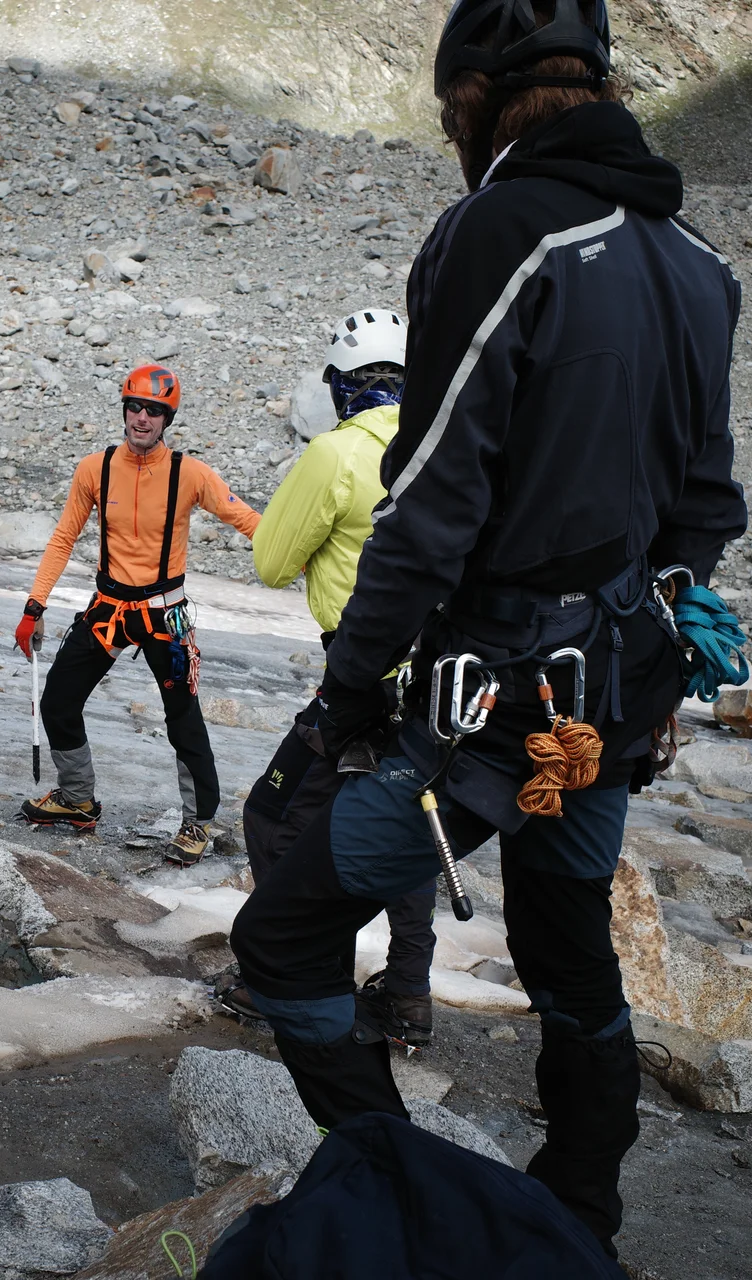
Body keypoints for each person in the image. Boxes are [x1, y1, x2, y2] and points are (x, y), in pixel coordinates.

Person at [228, 0, 746, 1258]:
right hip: (613, 704)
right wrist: (652, 631)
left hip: (495, 711)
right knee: (566, 951)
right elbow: (706, 503)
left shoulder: (502, 232)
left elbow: (430, 503)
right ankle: (579, 1221)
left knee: (283, 937)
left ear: (474, 94)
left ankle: (404, 1198)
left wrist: (350, 692)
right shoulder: (699, 264)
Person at [234, 309, 440, 1048]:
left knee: (274, 816)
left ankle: (287, 970)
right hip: (440, 680)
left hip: (360, 675)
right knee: (411, 820)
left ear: (341, 384)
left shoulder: (337, 452)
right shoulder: (444, 447)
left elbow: (271, 562)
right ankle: (408, 994)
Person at [17, 364, 262, 865]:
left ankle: (198, 822)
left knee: (183, 720)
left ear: (168, 418)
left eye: (154, 410)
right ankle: (77, 799)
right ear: (124, 410)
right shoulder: (95, 468)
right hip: (108, 610)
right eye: (135, 407)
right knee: (58, 701)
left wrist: (307, 556)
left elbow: (248, 520)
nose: (142, 418)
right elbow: (63, 538)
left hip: (164, 615)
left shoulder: (190, 474)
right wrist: (34, 605)